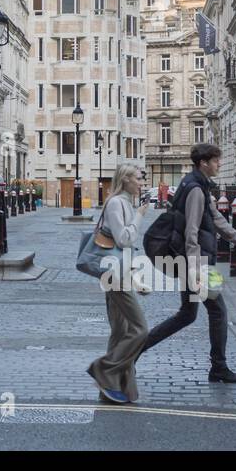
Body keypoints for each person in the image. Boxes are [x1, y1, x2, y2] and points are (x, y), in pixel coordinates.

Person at [141, 143, 236, 383]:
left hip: (194, 261)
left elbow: (216, 219)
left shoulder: (198, 185)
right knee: (218, 311)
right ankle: (219, 367)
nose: (219, 164)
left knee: (187, 314)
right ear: (204, 162)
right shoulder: (195, 189)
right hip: (198, 263)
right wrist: (194, 270)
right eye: (215, 161)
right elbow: (191, 232)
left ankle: (135, 350)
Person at [86, 164, 151, 404]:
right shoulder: (116, 204)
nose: (141, 183)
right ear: (125, 180)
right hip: (113, 276)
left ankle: (116, 387)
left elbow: (124, 249)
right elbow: (124, 240)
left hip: (121, 273)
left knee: (120, 332)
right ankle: (103, 369)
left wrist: (136, 278)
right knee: (139, 329)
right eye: (137, 179)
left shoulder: (125, 203)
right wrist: (140, 216)